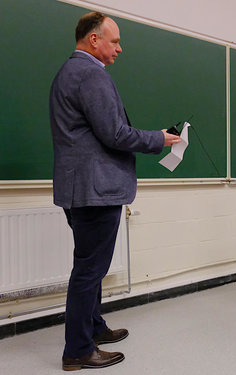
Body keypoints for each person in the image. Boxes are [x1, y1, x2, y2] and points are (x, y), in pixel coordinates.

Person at [49, 12, 181, 371]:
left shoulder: (68, 72)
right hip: (95, 189)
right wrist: (160, 139)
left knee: (88, 263)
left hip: (78, 187)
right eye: (115, 41)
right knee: (90, 269)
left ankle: (94, 327)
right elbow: (115, 134)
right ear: (94, 40)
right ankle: (77, 349)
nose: (120, 48)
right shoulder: (91, 74)